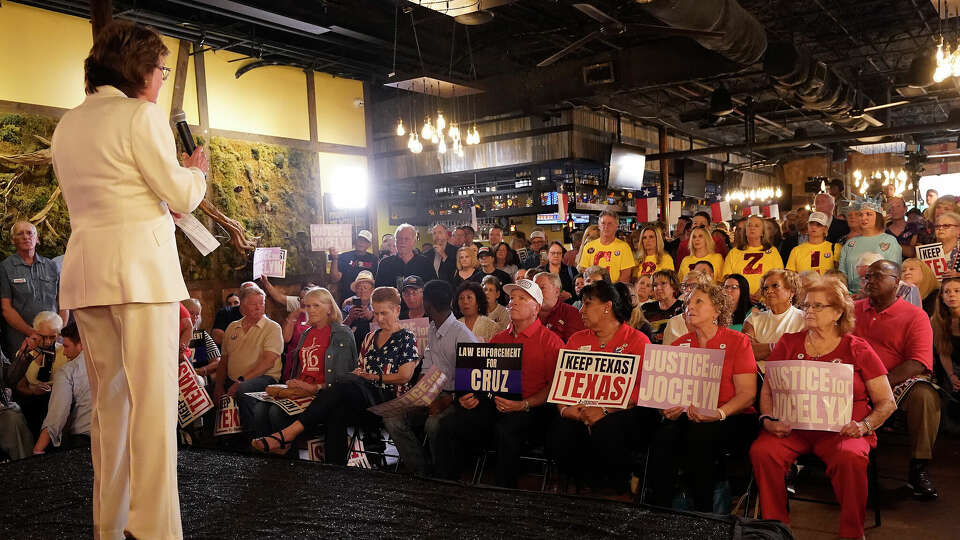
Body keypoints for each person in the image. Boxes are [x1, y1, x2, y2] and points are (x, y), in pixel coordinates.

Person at [50, 20, 209, 539]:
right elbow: (180, 194)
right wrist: (197, 170)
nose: (162, 79)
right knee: (154, 406)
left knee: (109, 407)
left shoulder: (68, 124)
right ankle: (156, 530)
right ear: (141, 68)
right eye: (162, 69)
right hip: (141, 275)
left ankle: (110, 524)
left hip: (88, 276)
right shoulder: (140, 115)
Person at [751, 279, 895, 539]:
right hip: (793, 427)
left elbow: (887, 402)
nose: (809, 311)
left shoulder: (857, 348)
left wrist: (864, 426)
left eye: (818, 306)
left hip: (844, 429)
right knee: (763, 451)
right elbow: (768, 390)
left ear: (838, 312)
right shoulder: (789, 342)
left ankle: (852, 531)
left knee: (850, 458)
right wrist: (768, 419)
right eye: (806, 305)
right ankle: (775, 527)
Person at [253, 287, 418, 464]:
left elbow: (405, 376)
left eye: (384, 313)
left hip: (390, 398)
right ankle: (334, 471)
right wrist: (359, 375)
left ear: (397, 310)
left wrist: (373, 377)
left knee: (342, 386)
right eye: (376, 313)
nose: (379, 319)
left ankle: (289, 434)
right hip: (365, 397)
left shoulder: (406, 336)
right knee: (335, 409)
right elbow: (359, 369)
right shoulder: (370, 337)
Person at [435, 279, 564, 488]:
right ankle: (445, 486)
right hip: (494, 403)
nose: (513, 302)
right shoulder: (498, 339)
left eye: (522, 298)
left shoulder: (551, 342)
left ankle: (503, 494)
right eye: (512, 298)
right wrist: (469, 397)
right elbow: (483, 379)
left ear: (536, 308)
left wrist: (525, 404)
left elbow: (555, 386)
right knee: (450, 424)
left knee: (507, 430)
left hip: (532, 408)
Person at [648, 281, 758, 512]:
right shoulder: (680, 344)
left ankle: (704, 516)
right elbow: (665, 394)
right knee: (662, 437)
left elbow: (747, 394)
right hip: (689, 416)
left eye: (699, 301)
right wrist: (665, 408)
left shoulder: (738, 341)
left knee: (700, 437)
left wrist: (718, 413)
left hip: (731, 416)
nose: (690, 307)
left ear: (717, 310)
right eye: (688, 303)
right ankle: (661, 513)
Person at [546, 281, 656, 491]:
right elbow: (562, 383)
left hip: (624, 412)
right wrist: (565, 410)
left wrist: (605, 409)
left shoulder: (637, 341)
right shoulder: (577, 340)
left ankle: (613, 489)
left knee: (607, 428)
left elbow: (644, 390)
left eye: (587, 304)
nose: (581, 310)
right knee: (559, 430)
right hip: (580, 409)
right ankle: (577, 487)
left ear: (607, 307)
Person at [854, 260, 940, 499]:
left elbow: (918, 362)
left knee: (925, 397)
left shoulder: (915, 316)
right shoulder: (853, 309)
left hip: (895, 378)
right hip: (854, 377)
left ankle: (919, 467)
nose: (870, 281)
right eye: (868, 277)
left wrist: (878, 384)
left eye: (878, 276)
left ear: (896, 282)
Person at [383, 280, 478, 476]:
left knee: (433, 424)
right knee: (392, 417)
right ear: (451, 301)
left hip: (456, 397)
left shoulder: (463, 335)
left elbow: (471, 384)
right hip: (432, 391)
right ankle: (421, 470)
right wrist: (416, 396)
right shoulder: (433, 329)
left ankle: (442, 473)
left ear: (427, 305)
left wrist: (445, 401)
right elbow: (426, 368)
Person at [250, 288, 356, 442]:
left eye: (316, 306)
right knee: (259, 409)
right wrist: (293, 382)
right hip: (300, 390)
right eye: (307, 306)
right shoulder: (306, 333)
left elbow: (344, 377)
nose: (310, 310)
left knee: (276, 412)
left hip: (323, 393)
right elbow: (301, 368)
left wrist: (315, 387)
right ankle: (270, 459)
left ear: (329, 308)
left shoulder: (341, 333)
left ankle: (289, 461)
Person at [213, 286, 284, 434]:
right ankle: (213, 446)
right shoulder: (232, 327)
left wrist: (241, 381)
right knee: (208, 392)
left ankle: (255, 440)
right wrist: (218, 385)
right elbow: (224, 361)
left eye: (262, 303)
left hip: (265, 378)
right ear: (242, 307)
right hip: (235, 379)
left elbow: (268, 362)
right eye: (254, 304)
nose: (259, 307)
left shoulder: (272, 328)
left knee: (243, 389)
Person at [0, 221, 65, 361]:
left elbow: (64, 303)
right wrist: (34, 333)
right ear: (13, 240)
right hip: (20, 339)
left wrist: (58, 333)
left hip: (53, 339)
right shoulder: (5, 268)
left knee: (52, 377)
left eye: (30, 233)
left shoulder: (52, 266)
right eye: (20, 234)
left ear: (37, 239)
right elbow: (6, 308)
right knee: (20, 380)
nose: (26, 237)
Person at [31, 321, 89, 454]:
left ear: (81, 344)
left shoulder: (67, 370)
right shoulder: (117, 364)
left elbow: (57, 415)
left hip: (85, 441)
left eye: (67, 347)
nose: (64, 353)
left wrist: (37, 450)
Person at [838, 196, 902, 294]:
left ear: (878, 216)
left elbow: (893, 274)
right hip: (853, 298)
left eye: (869, 214)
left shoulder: (890, 241)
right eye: (860, 214)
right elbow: (842, 274)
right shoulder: (850, 244)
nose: (864, 218)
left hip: (880, 297)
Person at [743, 269, 805, 364]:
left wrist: (761, 349)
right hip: (757, 377)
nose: (769, 291)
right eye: (765, 288)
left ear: (791, 291)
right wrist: (782, 348)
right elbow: (746, 351)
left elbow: (799, 355)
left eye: (775, 286)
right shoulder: (753, 319)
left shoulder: (804, 319)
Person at [722, 215, 785, 299]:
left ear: (762, 232)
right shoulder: (734, 252)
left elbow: (778, 276)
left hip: (765, 301)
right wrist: (744, 293)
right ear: (745, 230)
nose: (752, 228)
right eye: (749, 225)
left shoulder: (772, 251)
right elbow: (728, 277)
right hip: (740, 300)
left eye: (756, 226)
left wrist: (762, 290)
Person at [577, 210, 635, 283]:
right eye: (603, 223)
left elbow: (626, 276)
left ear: (616, 226)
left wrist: (613, 291)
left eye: (610, 224)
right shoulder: (589, 246)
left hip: (614, 291)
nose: (606, 227)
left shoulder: (624, 247)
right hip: (593, 290)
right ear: (599, 225)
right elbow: (585, 271)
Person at [375, 223, 438, 289]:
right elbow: (378, 292)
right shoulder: (385, 264)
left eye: (406, 239)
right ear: (395, 241)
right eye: (399, 238)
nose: (402, 242)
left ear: (414, 241)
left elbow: (433, 289)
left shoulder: (425, 263)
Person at [661, 270, 713, 346]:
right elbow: (665, 353)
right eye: (685, 286)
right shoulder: (673, 322)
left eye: (693, 286)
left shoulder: (714, 321)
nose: (687, 290)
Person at [328, 230, 378, 304]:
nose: (361, 242)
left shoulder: (373, 259)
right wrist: (335, 259)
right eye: (360, 239)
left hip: (367, 302)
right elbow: (335, 278)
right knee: (348, 313)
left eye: (365, 241)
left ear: (369, 245)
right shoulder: (345, 256)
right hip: (347, 299)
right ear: (356, 241)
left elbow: (376, 282)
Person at [534, 272, 586, 341]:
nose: (536, 293)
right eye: (534, 289)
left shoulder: (571, 313)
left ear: (557, 291)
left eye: (542, 288)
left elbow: (573, 346)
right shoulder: (526, 314)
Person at [0, 351, 32, 460]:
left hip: (3, 406)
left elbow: (9, 379)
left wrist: (23, 355)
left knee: (15, 419)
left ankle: (25, 469)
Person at [181, 299, 220, 383]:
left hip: (199, 380)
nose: (195, 317)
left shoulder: (202, 335)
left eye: (197, 314)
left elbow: (217, 361)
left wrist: (201, 371)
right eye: (191, 313)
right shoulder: (172, 336)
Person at [642, 269, 684, 344]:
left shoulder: (683, 308)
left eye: (663, 283)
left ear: (674, 287)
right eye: (655, 285)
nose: (658, 288)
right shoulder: (645, 308)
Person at [342, 270, 376, 349]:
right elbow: (340, 329)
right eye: (359, 288)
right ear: (355, 291)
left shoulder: (377, 304)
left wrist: (371, 316)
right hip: (351, 344)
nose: (362, 290)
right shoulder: (348, 304)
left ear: (372, 290)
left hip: (372, 343)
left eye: (365, 287)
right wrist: (350, 318)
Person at [935, 211, 960, 276]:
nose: (940, 228)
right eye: (937, 226)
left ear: (958, 229)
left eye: (946, 226)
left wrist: (958, 275)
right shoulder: (928, 250)